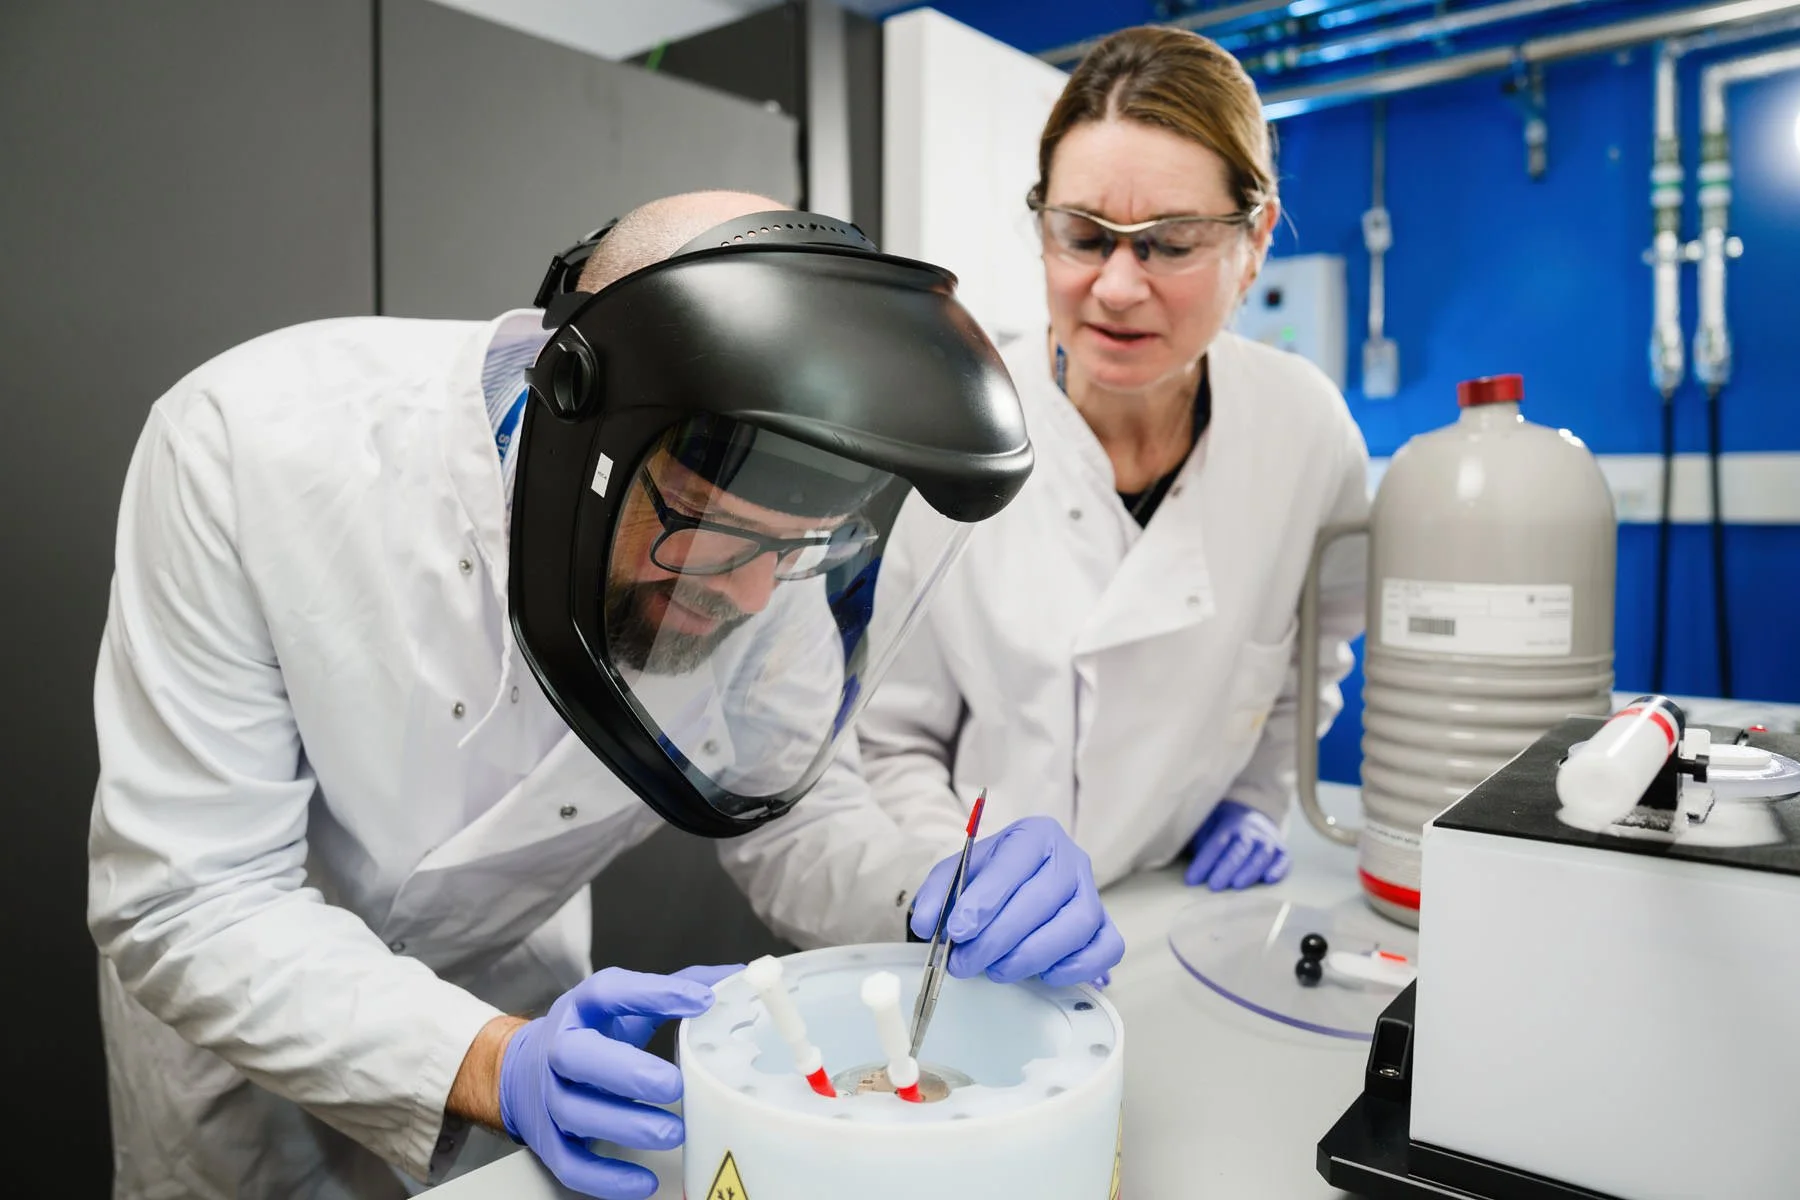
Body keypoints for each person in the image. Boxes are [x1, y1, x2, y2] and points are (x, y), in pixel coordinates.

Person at [87, 190, 1124, 1200]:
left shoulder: (765, 540)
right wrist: (489, 1063)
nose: (759, 590)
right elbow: (190, 896)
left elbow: (794, 818)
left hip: (529, 1003)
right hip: (244, 1039)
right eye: (711, 532)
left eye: (799, 550)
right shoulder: (247, 442)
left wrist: (934, 891)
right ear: (574, 421)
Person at [851, 26, 1371, 914]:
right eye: (1083, 236)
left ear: (1255, 241)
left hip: (1181, 901)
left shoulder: (1304, 430)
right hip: (980, 917)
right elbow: (893, 741)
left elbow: (1308, 666)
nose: (1119, 287)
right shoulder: (956, 426)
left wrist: (1255, 797)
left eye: (1170, 244)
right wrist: (955, 885)